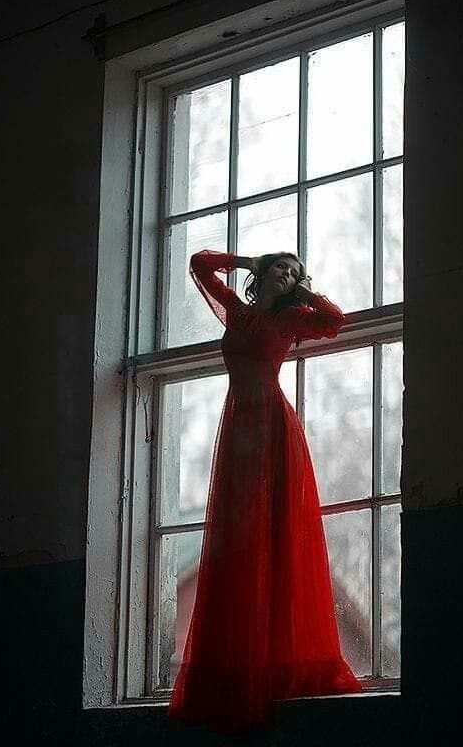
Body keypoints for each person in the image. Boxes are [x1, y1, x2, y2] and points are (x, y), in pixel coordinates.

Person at [167, 249, 362, 734]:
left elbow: (334, 319)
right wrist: (249, 259)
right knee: (236, 539)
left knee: (275, 527)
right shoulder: (238, 310)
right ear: (264, 273)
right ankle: (236, 667)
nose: (288, 274)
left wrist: (302, 291)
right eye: (282, 267)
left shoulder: (293, 317)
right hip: (239, 424)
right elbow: (199, 264)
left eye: (295, 272)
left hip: (272, 424)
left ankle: (286, 663)